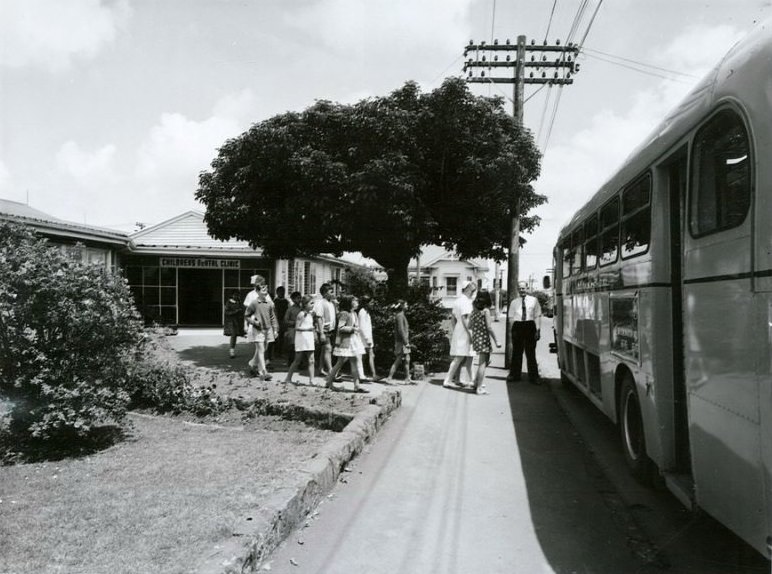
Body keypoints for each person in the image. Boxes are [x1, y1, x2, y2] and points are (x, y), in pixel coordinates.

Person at [326, 295, 366, 393]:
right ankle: (329, 383)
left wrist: (356, 329)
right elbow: (340, 327)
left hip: (352, 340)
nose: (357, 303)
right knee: (340, 362)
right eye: (355, 301)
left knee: (354, 361)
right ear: (349, 303)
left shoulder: (354, 314)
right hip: (346, 341)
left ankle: (357, 386)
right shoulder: (345, 314)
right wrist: (353, 329)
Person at [442, 280, 477, 388]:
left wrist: (456, 330)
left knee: (469, 357)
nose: (473, 292)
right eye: (472, 289)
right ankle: (447, 380)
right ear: (466, 289)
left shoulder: (457, 301)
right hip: (466, 331)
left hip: (459, 330)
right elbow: (465, 319)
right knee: (460, 357)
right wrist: (470, 334)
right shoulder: (465, 302)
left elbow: (453, 319)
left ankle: (470, 380)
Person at [507, 281, 542, 384]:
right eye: (520, 288)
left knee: (530, 352)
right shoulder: (514, 302)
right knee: (517, 352)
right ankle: (514, 375)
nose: (522, 290)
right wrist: (512, 330)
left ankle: (534, 377)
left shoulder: (534, 301)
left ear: (527, 288)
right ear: (518, 289)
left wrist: (538, 330)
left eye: (523, 288)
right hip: (518, 326)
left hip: (530, 326)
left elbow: (537, 315)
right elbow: (510, 317)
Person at [244, 280, 279, 381]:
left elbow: (273, 317)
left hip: (268, 330)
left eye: (266, 289)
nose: (265, 290)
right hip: (258, 330)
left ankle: (252, 364)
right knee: (261, 350)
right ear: (257, 291)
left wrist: (275, 329)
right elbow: (247, 315)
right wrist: (254, 323)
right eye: (263, 289)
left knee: (263, 349)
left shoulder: (270, 303)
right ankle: (263, 372)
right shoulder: (254, 303)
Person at [469, 290, 501, 395]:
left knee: (484, 362)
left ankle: (475, 383)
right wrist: (496, 340)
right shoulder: (486, 311)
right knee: (482, 364)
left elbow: (470, 325)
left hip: (476, 338)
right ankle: (479, 388)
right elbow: (489, 328)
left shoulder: (473, 310)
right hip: (483, 339)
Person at [284, 295, 316, 386]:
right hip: (301, 338)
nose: (313, 305)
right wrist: (308, 329)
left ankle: (311, 380)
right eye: (311, 303)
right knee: (297, 360)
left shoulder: (310, 314)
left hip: (309, 338)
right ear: (305, 304)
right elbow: (297, 327)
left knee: (312, 359)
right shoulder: (301, 314)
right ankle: (288, 378)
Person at [386, 299, 413, 384]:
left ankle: (407, 378)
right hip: (401, 341)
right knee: (398, 359)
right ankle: (389, 378)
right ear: (402, 306)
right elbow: (401, 330)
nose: (407, 306)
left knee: (407, 359)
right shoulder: (400, 316)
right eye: (406, 305)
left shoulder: (402, 315)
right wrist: (406, 342)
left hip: (404, 341)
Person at [313, 283, 337, 377]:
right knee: (328, 349)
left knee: (324, 350)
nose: (332, 293)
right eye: (330, 292)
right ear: (325, 293)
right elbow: (318, 318)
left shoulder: (331, 303)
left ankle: (320, 369)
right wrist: (321, 333)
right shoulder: (320, 303)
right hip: (324, 330)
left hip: (331, 330)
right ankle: (331, 372)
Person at [357, 295, 379, 381]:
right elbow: (362, 327)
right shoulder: (362, 312)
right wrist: (367, 339)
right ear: (366, 303)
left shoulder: (366, 312)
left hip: (366, 338)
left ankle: (362, 374)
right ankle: (373, 375)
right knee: (370, 355)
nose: (372, 304)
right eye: (371, 302)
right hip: (364, 339)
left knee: (364, 357)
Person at [223, 290, 245, 358]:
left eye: (237, 295)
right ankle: (231, 351)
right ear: (232, 295)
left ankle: (232, 350)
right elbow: (226, 312)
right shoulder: (229, 302)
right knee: (233, 334)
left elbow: (243, 310)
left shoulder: (239, 302)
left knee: (235, 335)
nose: (236, 296)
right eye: (235, 295)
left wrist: (241, 311)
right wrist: (236, 311)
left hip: (238, 321)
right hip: (231, 321)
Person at [283, 291, 302, 366]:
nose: (299, 300)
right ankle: (290, 361)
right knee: (292, 346)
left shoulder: (302, 308)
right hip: (292, 330)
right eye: (298, 298)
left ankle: (300, 362)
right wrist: (294, 323)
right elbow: (286, 320)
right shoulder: (290, 309)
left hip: (300, 330)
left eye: (300, 298)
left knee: (300, 346)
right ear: (293, 299)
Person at [272, 286, 289, 358]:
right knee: (275, 337)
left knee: (282, 337)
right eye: (280, 292)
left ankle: (280, 352)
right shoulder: (275, 301)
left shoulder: (286, 301)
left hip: (283, 320)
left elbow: (288, 310)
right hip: (276, 320)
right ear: (277, 293)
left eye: (283, 292)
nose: (282, 293)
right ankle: (275, 352)